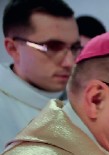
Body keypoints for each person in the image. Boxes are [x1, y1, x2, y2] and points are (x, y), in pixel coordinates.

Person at [0, 0, 80, 146]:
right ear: (13, 49)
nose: (69, 62)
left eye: (74, 47)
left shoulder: (83, 99)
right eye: (52, 47)